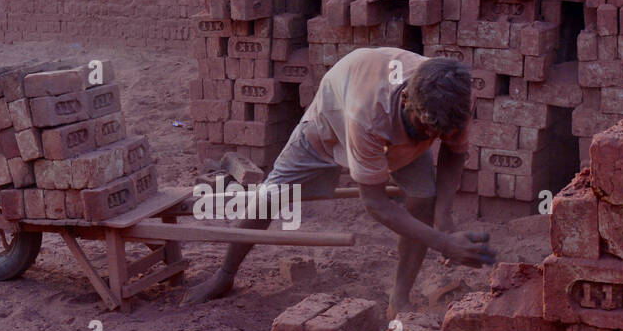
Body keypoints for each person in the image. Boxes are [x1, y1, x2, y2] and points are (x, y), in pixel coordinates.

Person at [183, 46, 496, 316]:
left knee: (424, 199)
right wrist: (442, 243)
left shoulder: (454, 99)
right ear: (406, 103)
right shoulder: (369, 112)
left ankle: (398, 299)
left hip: (393, 126)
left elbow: (454, 153)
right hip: (330, 122)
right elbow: (376, 204)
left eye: (439, 134)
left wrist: (444, 219)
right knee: (270, 196)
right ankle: (224, 275)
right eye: (427, 130)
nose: (432, 139)